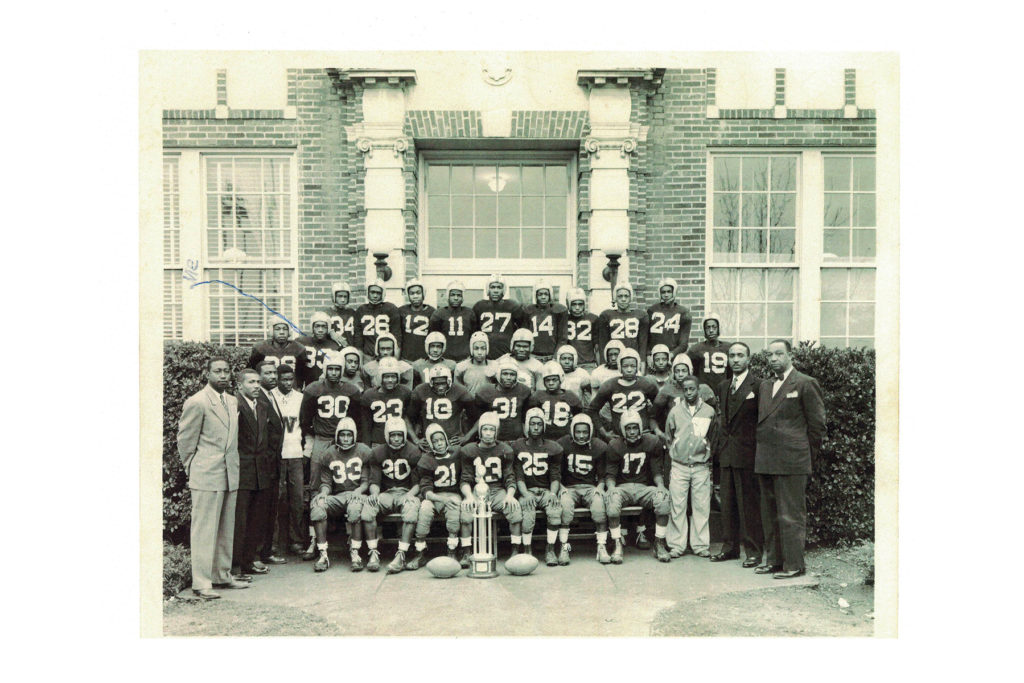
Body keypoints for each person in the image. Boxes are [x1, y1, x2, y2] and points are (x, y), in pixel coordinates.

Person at [754, 340, 825, 579]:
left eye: (778, 354)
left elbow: (817, 426)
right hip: (766, 459)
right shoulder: (765, 385)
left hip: (792, 461)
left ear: (790, 356)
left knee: (791, 514)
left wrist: (805, 457)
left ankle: (794, 564)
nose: (773, 358)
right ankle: (773, 560)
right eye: (770, 355)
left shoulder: (805, 383)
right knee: (769, 513)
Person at [176, 356, 245, 599]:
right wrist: (193, 467)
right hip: (206, 474)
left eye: (227, 371)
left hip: (229, 473)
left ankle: (221, 575)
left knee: (226, 529)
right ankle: (202, 582)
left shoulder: (232, 400)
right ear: (207, 374)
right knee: (204, 530)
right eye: (218, 371)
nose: (223, 375)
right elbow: (185, 441)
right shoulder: (197, 402)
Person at [711, 342, 764, 567]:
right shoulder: (723, 386)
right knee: (728, 504)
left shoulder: (759, 386)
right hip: (727, 455)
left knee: (749, 505)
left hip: (748, 454)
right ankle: (730, 548)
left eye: (740, 355)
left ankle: (753, 551)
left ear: (748, 359)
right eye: (732, 355)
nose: (735, 359)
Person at [604, 410, 671, 563]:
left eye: (635, 428)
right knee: (612, 501)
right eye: (628, 428)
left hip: (643, 488)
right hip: (623, 488)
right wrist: (611, 488)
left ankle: (659, 543)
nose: (632, 432)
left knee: (662, 498)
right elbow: (610, 474)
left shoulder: (651, 442)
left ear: (640, 428)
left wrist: (661, 486)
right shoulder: (615, 445)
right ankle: (617, 544)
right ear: (622, 430)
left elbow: (656, 470)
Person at [664, 375, 718, 559]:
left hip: (701, 466)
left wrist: (706, 453)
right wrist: (676, 452)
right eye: (685, 389)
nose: (688, 392)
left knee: (701, 506)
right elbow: (669, 436)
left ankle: (700, 545)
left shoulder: (709, 411)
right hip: (679, 465)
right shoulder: (675, 411)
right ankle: (677, 545)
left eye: (692, 389)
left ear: (698, 390)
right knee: (677, 505)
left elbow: (713, 436)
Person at [308, 417, 372, 573]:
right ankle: (323, 553)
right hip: (338, 495)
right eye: (342, 435)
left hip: (357, 494)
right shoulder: (329, 453)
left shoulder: (363, 450)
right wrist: (323, 493)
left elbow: (365, 481)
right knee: (317, 507)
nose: (345, 438)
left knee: (355, 507)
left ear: (354, 436)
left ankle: (355, 552)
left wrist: (357, 492)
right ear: (337, 435)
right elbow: (326, 483)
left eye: (349, 435)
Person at [459, 412, 524, 559]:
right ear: (480, 431)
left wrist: (510, 495)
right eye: (485, 429)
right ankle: (466, 551)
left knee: (514, 509)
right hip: (476, 490)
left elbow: (509, 477)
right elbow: (466, 478)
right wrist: (468, 496)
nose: (488, 433)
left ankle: (515, 550)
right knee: (466, 512)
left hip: (497, 490)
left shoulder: (505, 450)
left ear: (497, 432)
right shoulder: (468, 450)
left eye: (492, 430)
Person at [232, 368, 277, 579]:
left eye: (258, 382)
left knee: (256, 520)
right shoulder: (234, 405)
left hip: (261, 472)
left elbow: (271, 435)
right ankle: (235, 567)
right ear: (240, 386)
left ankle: (250, 560)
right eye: (251, 382)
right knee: (239, 520)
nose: (256, 385)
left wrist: (267, 459)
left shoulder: (263, 406)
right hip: (242, 471)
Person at [363, 417, 423, 574]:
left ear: (404, 434)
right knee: (368, 507)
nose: (396, 438)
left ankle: (401, 554)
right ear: (386, 435)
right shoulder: (377, 452)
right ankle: (373, 552)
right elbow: (374, 480)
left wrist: (410, 494)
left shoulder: (413, 451)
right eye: (393, 435)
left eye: (399, 434)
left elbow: (419, 483)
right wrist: (375, 493)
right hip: (387, 493)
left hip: (407, 492)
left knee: (411, 511)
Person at [412, 423, 472, 568]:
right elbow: (425, 489)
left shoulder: (456, 454)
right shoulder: (426, 459)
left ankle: (451, 550)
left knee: (453, 512)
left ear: (446, 439)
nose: (439, 443)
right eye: (435, 441)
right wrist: (441, 499)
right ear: (430, 444)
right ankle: (420, 553)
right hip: (434, 496)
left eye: (441, 440)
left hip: (452, 494)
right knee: (424, 512)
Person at [511, 408, 564, 564]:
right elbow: (518, 475)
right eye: (532, 424)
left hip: (546, 490)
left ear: (544, 426)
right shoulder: (518, 445)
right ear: (527, 425)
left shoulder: (553, 447)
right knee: (527, 515)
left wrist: (553, 494)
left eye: (539, 424)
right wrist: (525, 494)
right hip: (527, 491)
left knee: (555, 511)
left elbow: (555, 475)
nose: (535, 428)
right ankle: (527, 549)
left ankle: (550, 549)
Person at [556, 414, 611, 564]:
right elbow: (556, 473)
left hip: (589, 487)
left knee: (599, 504)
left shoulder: (599, 446)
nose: (581, 436)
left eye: (585, 432)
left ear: (591, 431)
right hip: (569, 487)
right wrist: (560, 488)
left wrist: (600, 487)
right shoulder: (562, 444)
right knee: (565, 506)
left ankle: (601, 546)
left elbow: (602, 475)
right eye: (578, 432)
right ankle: (563, 545)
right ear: (572, 431)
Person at [299, 351, 363, 480]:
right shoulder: (313, 389)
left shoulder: (352, 390)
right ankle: (315, 496)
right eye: (331, 369)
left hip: (344, 438)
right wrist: (315, 431)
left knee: (343, 474)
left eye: (337, 369)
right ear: (325, 369)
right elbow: (305, 418)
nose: (334, 373)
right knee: (316, 470)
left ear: (342, 370)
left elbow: (356, 418)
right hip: (322, 438)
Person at [271, 364, 309, 558]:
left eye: (290, 379)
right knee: (276, 499)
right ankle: (275, 543)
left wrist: (305, 450)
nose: (287, 383)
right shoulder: (270, 396)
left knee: (297, 498)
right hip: (277, 455)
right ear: (277, 379)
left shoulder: (301, 398)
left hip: (295, 453)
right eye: (283, 379)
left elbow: (306, 424)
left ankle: (297, 540)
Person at [587, 348, 660, 440]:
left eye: (633, 366)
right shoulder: (609, 386)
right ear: (620, 366)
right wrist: (604, 433)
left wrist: (656, 429)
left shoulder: (647, 384)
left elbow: (659, 409)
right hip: (619, 437)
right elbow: (592, 410)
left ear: (637, 366)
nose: (629, 370)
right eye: (625, 366)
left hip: (644, 434)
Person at [255, 360, 286, 566]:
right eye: (267, 373)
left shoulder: (272, 396)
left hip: (274, 464)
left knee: (270, 510)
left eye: (274, 373)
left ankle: (266, 552)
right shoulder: (258, 400)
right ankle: (257, 554)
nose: (273, 377)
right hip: (264, 465)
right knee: (261, 510)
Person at [409, 365, 476, 448]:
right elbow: (408, 418)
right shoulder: (420, 391)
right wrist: (416, 439)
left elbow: (477, 418)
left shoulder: (460, 391)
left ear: (449, 381)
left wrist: (466, 437)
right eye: (437, 384)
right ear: (431, 382)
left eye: (443, 383)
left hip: (453, 442)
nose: (440, 387)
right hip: (430, 442)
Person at [358, 357, 415, 447]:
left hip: (399, 441)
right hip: (378, 441)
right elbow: (366, 426)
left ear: (398, 377)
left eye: (393, 376)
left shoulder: (405, 392)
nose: (390, 380)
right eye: (387, 376)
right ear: (380, 377)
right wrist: (367, 447)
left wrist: (413, 439)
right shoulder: (369, 395)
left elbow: (407, 417)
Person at [652, 353, 716, 433]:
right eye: (677, 371)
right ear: (673, 373)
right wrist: (659, 433)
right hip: (676, 432)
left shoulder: (703, 389)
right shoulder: (667, 390)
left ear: (690, 371)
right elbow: (653, 417)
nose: (680, 374)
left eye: (684, 371)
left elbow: (715, 413)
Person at [474, 358, 532, 443]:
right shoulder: (484, 391)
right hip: (493, 439)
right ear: (498, 375)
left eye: (512, 374)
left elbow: (525, 416)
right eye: (505, 374)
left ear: (517, 376)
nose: (508, 377)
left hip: (517, 439)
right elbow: (478, 418)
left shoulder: (524, 390)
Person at [596, 282, 649, 372]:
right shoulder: (606, 315)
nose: (623, 299)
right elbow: (603, 345)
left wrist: (642, 363)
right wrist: (603, 365)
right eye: (620, 296)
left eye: (626, 296)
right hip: (613, 362)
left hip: (632, 361)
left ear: (630, 297)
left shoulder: (641, 315)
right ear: (615, 298)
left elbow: (643, 344)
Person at [472, 274, 525, 360]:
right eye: (493, 287)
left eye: (499, 287)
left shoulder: (513, 306)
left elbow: (521, 330)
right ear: (488, 289)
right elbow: (474, 331)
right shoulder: (479, 306)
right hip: (484, 354)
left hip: (507, 354)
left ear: (503, 290)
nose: (496, 291)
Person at [527, 361, 584, 441]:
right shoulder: (537, 396)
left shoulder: (571, 396)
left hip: (565, 439)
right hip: (544, 439)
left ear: (561, 379)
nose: (551, 383)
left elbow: (579, 417)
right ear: (543, 381)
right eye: (547, 380)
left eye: (554, 380)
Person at [645, 277, 693, 359]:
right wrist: (648, 355)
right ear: (660, 293)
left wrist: (672, 354)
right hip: (654, 357)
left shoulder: (683, 312)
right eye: (663, 292)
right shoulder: (652, 310)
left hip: (672, 356)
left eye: (669, 292)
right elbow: (646, 338)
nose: (666, 295)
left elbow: (683, 344)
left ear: (674, 292)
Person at [355, 278, 402, 360]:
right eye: (372, 292)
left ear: (383, 294)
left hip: (386, 355)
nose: (375, 296)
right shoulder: (361, 310)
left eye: (378, 293)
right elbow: (358, 339)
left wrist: (395, 358)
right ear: (368, 292)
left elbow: (397, 337)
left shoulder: (391, 309)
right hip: (368, 355)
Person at [429, 280, 477, 361]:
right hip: (445, 359)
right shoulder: (439, 314)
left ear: (463, 297)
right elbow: (433, 338)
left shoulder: (469, 313)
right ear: (448, 296)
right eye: (452, 295)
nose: (455, 298)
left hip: (465, 358)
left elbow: (473, 336)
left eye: (459, 295)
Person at [522, 280, 566, 362]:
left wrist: (556, 356)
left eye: (546, 294)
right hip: (533, 356)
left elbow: (562, 338)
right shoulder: (529, 310)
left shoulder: (558, 311)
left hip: (551, 356)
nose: (543, 297)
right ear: (535, 296)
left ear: (550, 295)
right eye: (540, 294)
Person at [688, 313, 731, 398]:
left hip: (724, 393)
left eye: (714, 327)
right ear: (704, 330)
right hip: (703, 394)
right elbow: (691, 373)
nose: (711, 330)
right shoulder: (696, 349)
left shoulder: (728, 348)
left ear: (719, 328)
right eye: (708, 327)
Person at [295, 311, 340, 389]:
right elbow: (298, 369)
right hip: (307, 387)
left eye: (324, 327)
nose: (320, 330)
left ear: (328, 328)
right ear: (312, 327)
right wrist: (299, 387)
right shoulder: (301, 342)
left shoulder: (335, 346)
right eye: (317, 326)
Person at [398, 278, 436, 363]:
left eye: (418, 293)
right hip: (406, 359)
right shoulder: (401, 311)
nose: (415, 296)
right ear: (408, 295)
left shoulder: (432, 312)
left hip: (425, 360)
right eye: (412, 293)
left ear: (423, 294)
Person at [564, 288, 599, 370]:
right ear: (568, 304)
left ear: (584, 304)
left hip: (588, 364)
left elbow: (597, 347)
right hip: (569, 365)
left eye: (580, 304)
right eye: (574, 304)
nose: (577, 307)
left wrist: (599, 367)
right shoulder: (564, 319)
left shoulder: (593, 319)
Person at [323, 280, 358, 349]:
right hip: (333, 350)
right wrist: (330, 332)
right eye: (340, 296)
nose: (343, 299)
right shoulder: (326, 314)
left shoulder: (352, 313)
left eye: (345, 297)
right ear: (334, 297)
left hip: (349, 349)